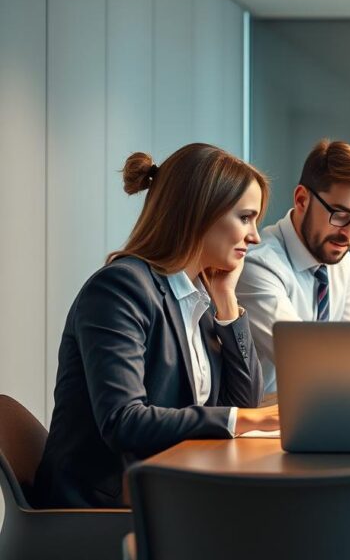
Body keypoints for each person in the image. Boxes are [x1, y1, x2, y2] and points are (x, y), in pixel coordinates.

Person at [33, 144, 278, 509]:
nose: (255, 236)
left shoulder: (198, 295)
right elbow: (124, 421)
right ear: (199, 213)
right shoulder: (120, 288)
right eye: (245, 218)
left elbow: (241, 402)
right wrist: (246, 418)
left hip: (170, 490)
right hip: (100, 507)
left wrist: (227, 301)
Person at [236, 139, 350, 392]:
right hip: (264, 421)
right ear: (302, 200)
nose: (349, 234)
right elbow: (306, 363)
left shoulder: (340, 259)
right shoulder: (257, 265)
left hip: (322, 408)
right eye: (339, 215)